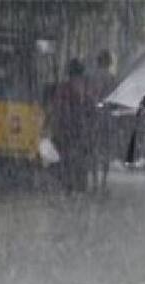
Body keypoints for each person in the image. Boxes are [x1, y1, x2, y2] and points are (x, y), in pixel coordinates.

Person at [49, 58, 94, 195]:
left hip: (67, 128)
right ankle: (78, 186)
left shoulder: (64, 88)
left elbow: (57, 108)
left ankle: (69, 186)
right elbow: (90, 108)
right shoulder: (86, 88)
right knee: (78, 157)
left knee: (67, 158)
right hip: (79, 128)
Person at [89, 50, 117, 194]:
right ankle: (103, 183)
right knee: (105, 152)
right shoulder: (111, 78)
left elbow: (90, 96)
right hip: (107, 119)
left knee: (95, 151)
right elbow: (114, 100)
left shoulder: (92, 77)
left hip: (94, 118)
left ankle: (94, 183)